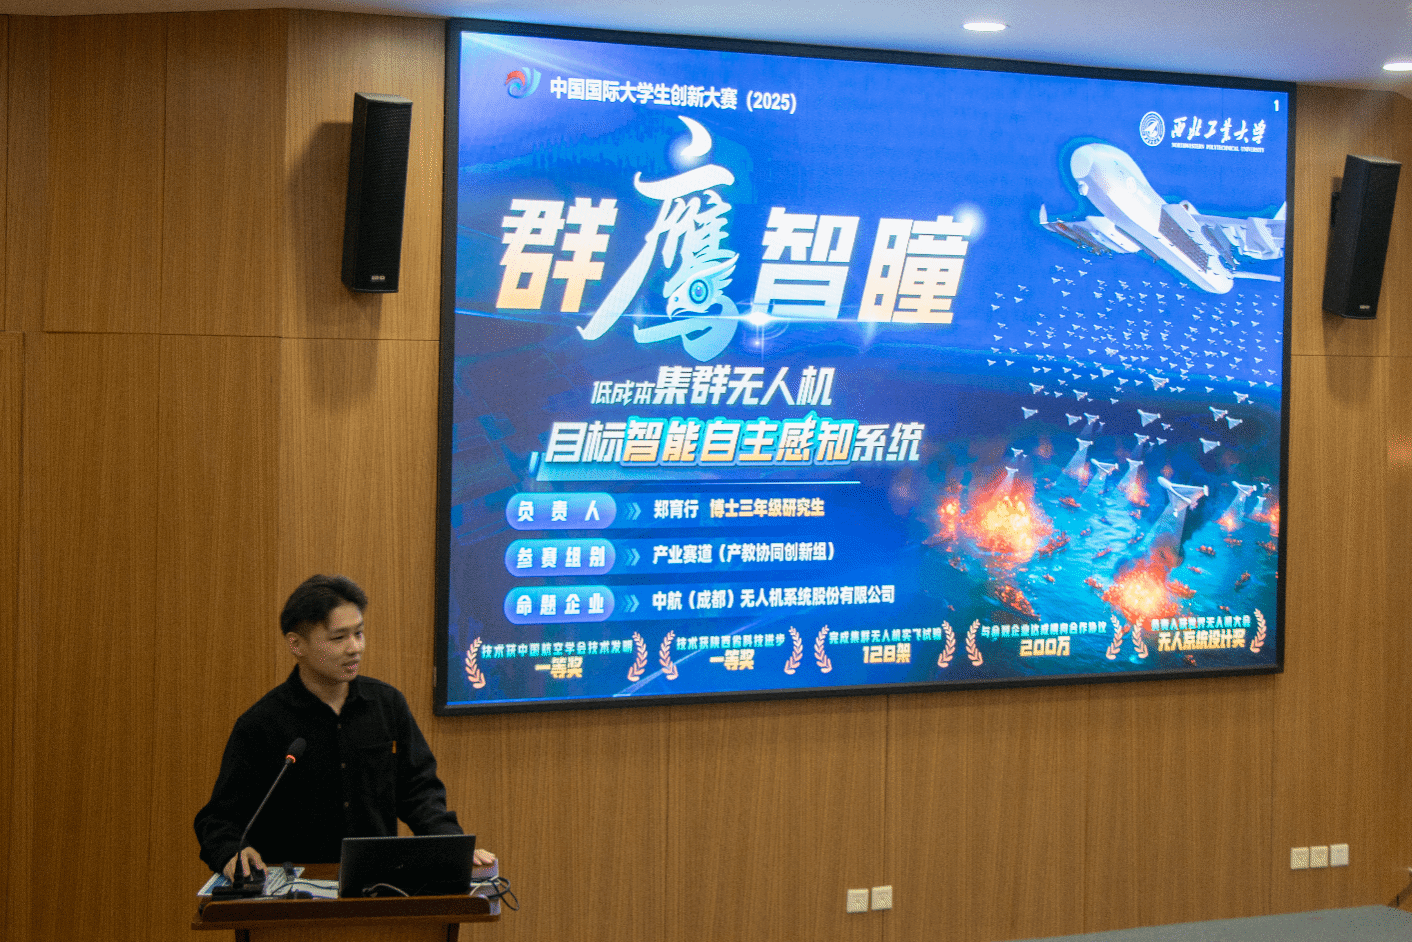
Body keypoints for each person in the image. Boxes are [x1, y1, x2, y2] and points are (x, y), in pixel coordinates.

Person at [195, 574, 494, 881]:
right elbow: (219, 819)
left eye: (359, 633)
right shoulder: (262, 724)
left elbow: (419, 792)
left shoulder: (386, 705)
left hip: (378, 884)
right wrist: (232, 851)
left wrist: (452, 844)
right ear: (296, 644)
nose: (354, 648)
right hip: (294, 891)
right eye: (338, 638)